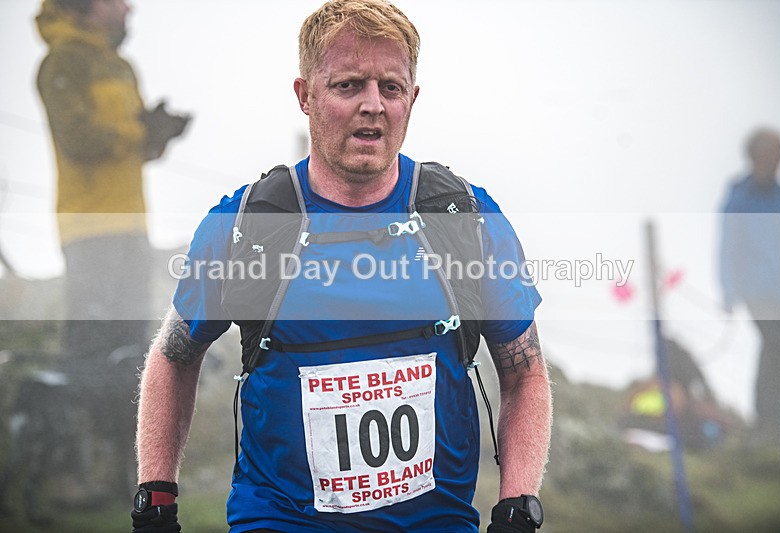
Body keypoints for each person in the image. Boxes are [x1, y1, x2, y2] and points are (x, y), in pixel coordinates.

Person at [133, 1, 552, 532]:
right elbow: (174, 357)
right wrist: (156, 500)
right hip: (280, 521)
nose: (373, 106)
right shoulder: (246, 223)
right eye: (349, 85)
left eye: (391, 88)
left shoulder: (465, 218)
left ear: (412, 99)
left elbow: (525, 372)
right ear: (305, 96)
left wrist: (518, 508)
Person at [35, 0, 190, 359]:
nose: (128, 9)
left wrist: (158, 134)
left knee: (132, 353)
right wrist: (140, 132)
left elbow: (138, 150)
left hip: (133, 227)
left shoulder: (122, 67)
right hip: (89, 229)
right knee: (93, 351)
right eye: (117, 0)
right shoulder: (62, 62)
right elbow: (77, 139)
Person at [719, 127, 780, 447]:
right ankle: (766, 424)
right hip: (759, 290)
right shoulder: (739, 196)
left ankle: (777, 426)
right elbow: (729, 245)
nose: (778, 161)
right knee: (773, 347)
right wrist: (728, 290)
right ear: (755, 156)